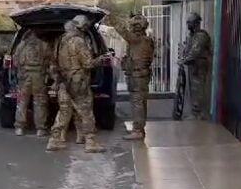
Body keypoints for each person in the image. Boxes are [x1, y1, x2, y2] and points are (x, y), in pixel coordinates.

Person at [47, 15, 108, 153]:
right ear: (82, 28)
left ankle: (54, 140)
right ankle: (90, 141)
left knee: (64, 111)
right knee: (85, 111)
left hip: (64, 80)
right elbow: (88, 64)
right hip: (78, 81)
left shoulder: (60, 40)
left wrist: (56, 79)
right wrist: (101, 59)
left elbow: (54, 63)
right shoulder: (79, 41)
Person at [109, 14, 155, 140]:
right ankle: (139, 129)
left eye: (133, 26)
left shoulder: (138, 40)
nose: (131, 29)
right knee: (140, 103)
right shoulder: (145, 40)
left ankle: (138, 130)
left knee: (137, 104)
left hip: (137, 76)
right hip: (140, 75)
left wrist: (112, 19)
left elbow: (123, 32)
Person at [13, 30, 50, 137]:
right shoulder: (44, 46)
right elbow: (50, 61)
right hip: (39, 77)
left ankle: (19, 127)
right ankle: (40, 129)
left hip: (24, 78)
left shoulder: (21, 45)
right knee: (39, 102)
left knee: (22, 102)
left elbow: (15, 62)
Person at [181, 12, 212, 120]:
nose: (188, 25)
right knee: (193, 90)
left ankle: (199, 114)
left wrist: (185, 60)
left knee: (198, 90)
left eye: (190, 23)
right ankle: (195, 113)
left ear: (196, 23)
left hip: (199, 67)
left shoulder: (201, 36)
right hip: (194, 67)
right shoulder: (192, 36)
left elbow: (195, 51)